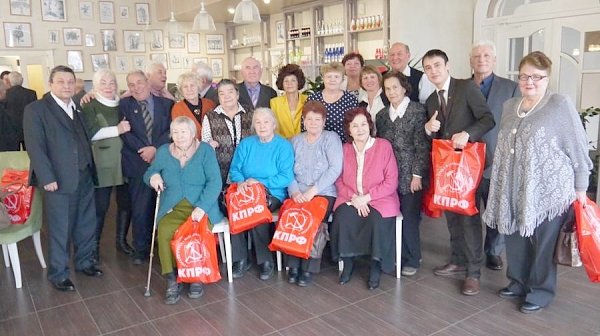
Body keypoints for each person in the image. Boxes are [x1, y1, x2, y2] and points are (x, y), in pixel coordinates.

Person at [482, 51, 592, 314]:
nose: (529, 81)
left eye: (536, 76)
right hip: (514, 187)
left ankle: (541, 291)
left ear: (547, 78)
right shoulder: (511, 106)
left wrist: (581, 189)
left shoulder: (558, 104)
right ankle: (518, 282)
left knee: (544, 245)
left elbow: (577, 148)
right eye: (524, 76)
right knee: (515, 237)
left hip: (549, 190)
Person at [423, 49, 495, 296]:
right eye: (428, 68)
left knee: (469, 219)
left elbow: (487, 119)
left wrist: (469, 134)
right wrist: (428, 128)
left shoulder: (466, 87)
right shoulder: (431, 101)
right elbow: (435, 135)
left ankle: (473, 272)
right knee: (452, 215)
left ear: (447, 65)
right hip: (446, 170)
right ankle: (457, 260)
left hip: (469, 168)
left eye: (437, 65)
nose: (433, 71)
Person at [23, 65, 101, 292]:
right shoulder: (36, 109)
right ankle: (58, 272)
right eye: (61, 81)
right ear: (51, 84)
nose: (66, 86)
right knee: (60, 228)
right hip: (57, 179)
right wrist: (46, 177)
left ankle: (85, 261)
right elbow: (35, 147)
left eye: (70, 81)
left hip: (84, 174)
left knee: (86, 222)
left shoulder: (76, 107)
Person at [145, 116, 223, 305]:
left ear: (193, 133)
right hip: (173, 206)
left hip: (201, 206)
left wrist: (202, 208)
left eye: (184, 132)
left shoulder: (205, 150)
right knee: (164, 230)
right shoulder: (164, 151)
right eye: (176, 132)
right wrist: (153, 177)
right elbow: (150, 172)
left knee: (194, 232)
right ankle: (172, 278)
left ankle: (194, 277)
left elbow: (215, 182)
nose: (179, 136)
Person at [331, 107, 400, 290]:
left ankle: (375, 267)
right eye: (355, 126)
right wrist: (354, 197)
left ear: (369, 126)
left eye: (363, 124)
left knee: (376, 220)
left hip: (380, 198)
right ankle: (348, 262)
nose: (360, 129)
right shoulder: (344, 149)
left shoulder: (383, 145)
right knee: (343, 217)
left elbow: (391, 181)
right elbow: (337, 179)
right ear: (349, 130)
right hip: (350, 197)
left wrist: (367, 198)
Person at [469, 40, 520, 271]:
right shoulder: (460, 86)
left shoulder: (510, 87)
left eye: (486, 55)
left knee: (495, 210)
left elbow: (519, 123)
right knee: (468, 211)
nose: (482, 59)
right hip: (467, 162)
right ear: (471, 60)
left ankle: (493, 251)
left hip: (497, 159)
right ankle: (469, 252)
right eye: (477, 56)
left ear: (494, 60)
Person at [229, 107, 294, 281]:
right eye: (258, 122)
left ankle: (266, 260)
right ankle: (240, 259)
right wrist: (241, 182)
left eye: (266, 122)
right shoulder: (246, 144)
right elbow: (235, 169)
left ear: (273, 124)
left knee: (257, 209)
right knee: (235, 208)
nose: (262, 125)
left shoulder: (283, 146)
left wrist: (260, 183)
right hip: (245, 190)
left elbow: (286, 177)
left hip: (272, 193)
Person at [376, 71, 430, 277]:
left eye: (395, 87)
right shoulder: (382, 115)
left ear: (404, 87)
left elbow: (422, 146)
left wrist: (417, 174)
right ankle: (392, 255)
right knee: (389, 216)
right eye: (388, 89)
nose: (391, 92)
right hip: (388, 174)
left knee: (409, 217)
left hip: (410, 174)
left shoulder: (417, 110)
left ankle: (412, 258)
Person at [286, 101, 343, 286]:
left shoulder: (330, 138)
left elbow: (335, 169)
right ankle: (293, 265)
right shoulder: (295, 140)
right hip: (298, 191)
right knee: (292, 216)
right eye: (309, 119)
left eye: (317, 119)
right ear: (303, 121)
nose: (313, 123)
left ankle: (309, 267)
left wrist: (312, 192)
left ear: (324, 121)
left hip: (324, 192)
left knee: (313, 218)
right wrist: (294, 191)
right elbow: (287, 170)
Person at [119, 70, 173, 264]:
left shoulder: (166, 104)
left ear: (147, 83)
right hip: (136, 162)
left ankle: (164, 245)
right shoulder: (124, 105)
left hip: (163, 160)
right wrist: (144, 150)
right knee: (140, 209)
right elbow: (125, 132)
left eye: (139, 83)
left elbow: (170, 130)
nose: (136, 88)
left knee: (165, 206)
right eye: (131, 85)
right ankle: (140, 250)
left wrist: (155, 148)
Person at [81, 69, 133, 260]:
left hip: (125, 160)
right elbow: (91, 133)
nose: (108, 86)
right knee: (99, 207)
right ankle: (92, 248)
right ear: (95, 86)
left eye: (111, 82)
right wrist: (117, 129)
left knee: (125, 204)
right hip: (102, 163)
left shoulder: (124, 103)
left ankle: (121, 241)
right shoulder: (89, 105)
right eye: (103, 83)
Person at [201, 79, 254, 184]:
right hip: (220, 172)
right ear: (218, 98)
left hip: (247, 172)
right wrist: (209, 144)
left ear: (237, 94)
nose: (227, 96)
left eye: (230, 92)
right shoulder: (211, 116)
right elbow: (205, 144)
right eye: (222, 94)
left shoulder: (250, 113)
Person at [307, 62, 358, 142]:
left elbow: (356, 125)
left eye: (336, 77)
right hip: (318, 146)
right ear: (323, 78)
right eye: (329, 76)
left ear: (342, 79)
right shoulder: (313, 99)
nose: (332, 80)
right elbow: (305, 125)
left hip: (345, 146)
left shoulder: (350, 99)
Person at [171, 72, 216, 140]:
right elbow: (179, 133)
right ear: (181, 90)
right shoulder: (177, 108)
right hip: (189, 147)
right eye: (185, 87)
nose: (189, 89)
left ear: (198, 87)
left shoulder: (210, 104)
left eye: (192, 85)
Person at [270, 64, 308, 139]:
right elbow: (273, 127)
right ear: (282, 84)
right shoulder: (274, 103)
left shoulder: (308, 100)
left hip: (304, 144)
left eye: (293, 80)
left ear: (298, 82)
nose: (289, 84)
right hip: (282, 145)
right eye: (286, 81)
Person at [5, 71, 37, 150]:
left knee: (13, 155)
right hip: (28, 128)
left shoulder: (5, 94)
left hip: (11, 130)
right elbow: (35, 112)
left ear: (9, 81)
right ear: (22, 80)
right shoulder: (31, 93)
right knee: (29, 152)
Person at [0, 80, 20, 152]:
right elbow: (8, 132)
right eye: (5, 90)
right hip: (4, 150)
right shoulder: (2, 110)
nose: (6, 92)